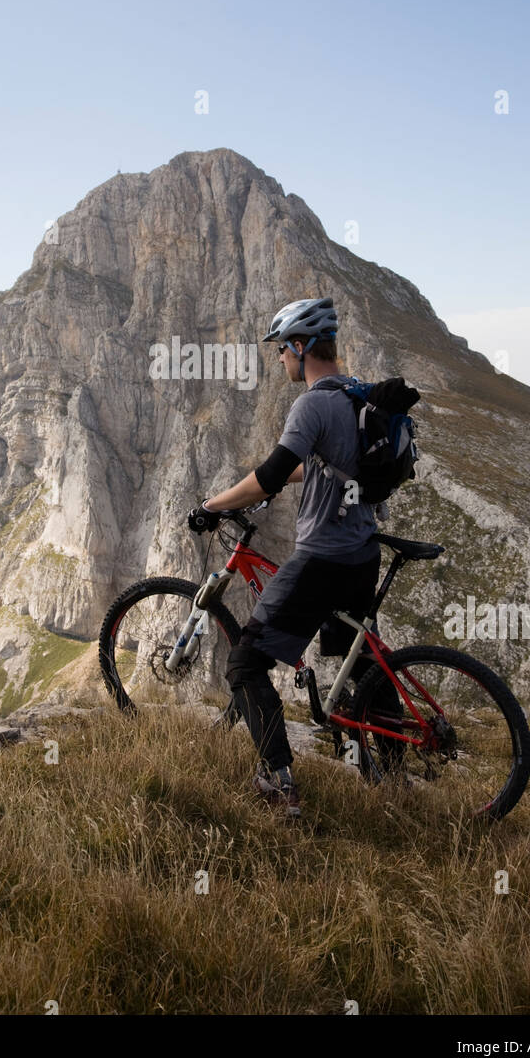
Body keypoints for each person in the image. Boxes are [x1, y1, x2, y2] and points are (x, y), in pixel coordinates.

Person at [188, 297, 396, 818]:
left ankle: (279, 785)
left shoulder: (312, 403)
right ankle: (393, 779)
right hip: (362, 554)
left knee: (245, 662)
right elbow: (324, 466)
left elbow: (272, 471)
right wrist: (281, 484)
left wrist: (213, 505)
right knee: (361, 664)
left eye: (282, 349)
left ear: (301, 348)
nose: (279, 358)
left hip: (323, 559)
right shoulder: (355, 394)